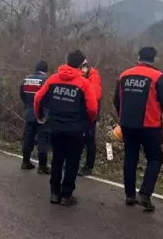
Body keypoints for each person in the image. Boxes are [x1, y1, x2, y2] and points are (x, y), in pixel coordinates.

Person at [114, 46, 163, 211]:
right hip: (150, 125)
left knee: (130, 158)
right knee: (155, 159)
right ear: (154, 59)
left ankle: (129, 195)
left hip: (127, 124)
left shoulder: (124, 75)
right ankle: (145, 194)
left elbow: (116, 100)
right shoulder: (158, 76)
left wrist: (124, 115)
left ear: (138, 57)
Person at [34, 50, 97, 206]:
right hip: (76, 129)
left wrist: (40, 115)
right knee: (72, 162)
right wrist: (88, 121)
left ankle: (54, 193)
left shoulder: (53, 79)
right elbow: (92, 108)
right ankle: (66, 195)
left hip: (56, 128)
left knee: (57, 160)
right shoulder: (84, 83)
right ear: (82, 64)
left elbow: (38, 98)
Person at [20, 60, 50, 173]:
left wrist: (28, 106)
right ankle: (42, 166)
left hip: (29, 111)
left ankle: (25, 162)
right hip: (42, 114)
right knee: (42, 139)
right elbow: (48, 97)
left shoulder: (26, 80)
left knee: (28, 137)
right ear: (46, 70)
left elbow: (22, 94)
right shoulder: (46, 80)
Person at [79, 61, 102, 176]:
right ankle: (78, 163)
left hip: (91, 114)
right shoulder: (83, 76)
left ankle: (88, 166)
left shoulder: (94, 78)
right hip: (82, 113)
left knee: (89, 140)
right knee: (80, 139)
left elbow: (94, 96)